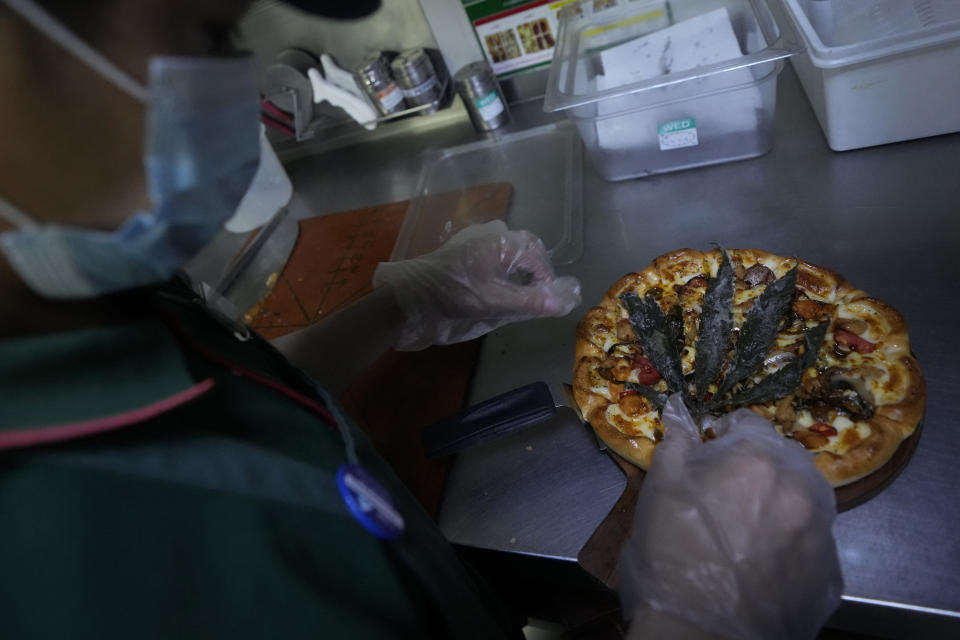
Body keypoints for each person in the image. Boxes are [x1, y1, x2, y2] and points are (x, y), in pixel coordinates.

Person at [0, 1, 842, 638]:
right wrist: (696, 625)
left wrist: (396, 308)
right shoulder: (50, 569)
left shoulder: (83, 278)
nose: (242, 80)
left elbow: (231, 397)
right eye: (213, 27)